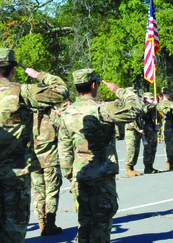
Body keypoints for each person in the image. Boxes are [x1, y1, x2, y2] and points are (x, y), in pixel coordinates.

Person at [0, 48, 68, 243]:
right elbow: (61, 91)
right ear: (13, 70)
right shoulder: (22, 91)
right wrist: (39, 75)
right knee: (13, 233)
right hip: (17, 176)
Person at [58, 68, 141, 243]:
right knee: (101, 225)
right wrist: (119, 90)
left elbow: (64, 151)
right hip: (101, 176)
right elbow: (135, 108)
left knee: (84, 225)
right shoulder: (101, 109)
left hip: (80, 175)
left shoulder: (66, 113)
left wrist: (71, 175)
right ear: (94, 85)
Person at [31, 103, 66, 236]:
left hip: (34, 162)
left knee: (38, 194)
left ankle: (42, 224)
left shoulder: (29, 119)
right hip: (50, 161)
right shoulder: (52, 118)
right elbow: (64, 131)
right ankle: (50, 224)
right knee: (51, 193)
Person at [158, 88, 173, 171]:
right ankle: (169, 162)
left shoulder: (169, 102)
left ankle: (172, 162)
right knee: (169, 145)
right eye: (168, 94)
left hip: (171, 125)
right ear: (164, 94)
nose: (170, 95)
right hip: (166, 126)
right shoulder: (164, 102)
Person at [141, 92, 160, 174]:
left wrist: (159, 125)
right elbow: (143, 111)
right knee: (147, 149)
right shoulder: (143, 106)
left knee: (153, 148)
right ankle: (147, 167)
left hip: (153, 129)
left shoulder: (154, 108)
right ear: (145, 99)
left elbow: (159, 118)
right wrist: (153, 105)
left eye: (153, 99)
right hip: (146, 130)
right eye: (151, 99)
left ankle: (151, 165)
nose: (153, 100)